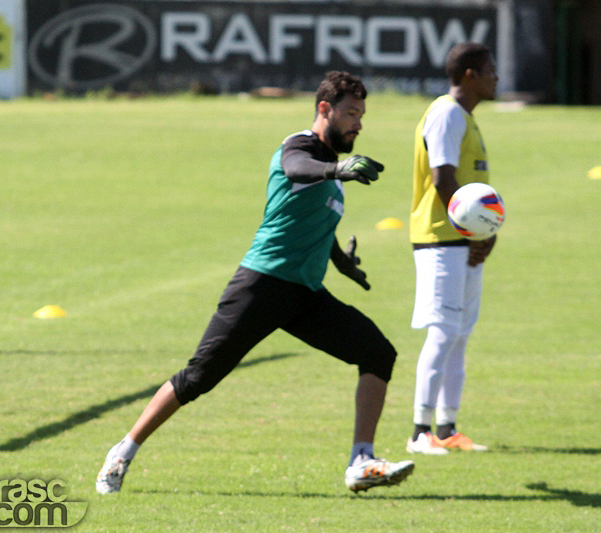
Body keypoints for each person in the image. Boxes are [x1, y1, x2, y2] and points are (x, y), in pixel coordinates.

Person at [97, 71, 414, 494]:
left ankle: (361, 461)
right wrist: (338, 167)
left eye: (362, 115)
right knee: (198, 378)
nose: (359, 123)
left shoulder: (331, 168)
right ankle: (122, 452)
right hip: (261, 286)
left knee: (378, 353)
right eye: (352, 113)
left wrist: (342, 264)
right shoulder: (301, 147)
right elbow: (296, 169)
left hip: (305, 295)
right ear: (325, 109)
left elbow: (318, 218)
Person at [406, 43, 499, 455]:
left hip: (462, 240)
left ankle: (447, 428)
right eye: (490, 69)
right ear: (470, 75)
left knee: (460, 335)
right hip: (441, 240)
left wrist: (481, 234)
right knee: (442, 333)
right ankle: (418, 432)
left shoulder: (466, 118)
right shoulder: (446, 114)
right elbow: (444, 180)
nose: (497, 77)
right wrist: (473, 233)